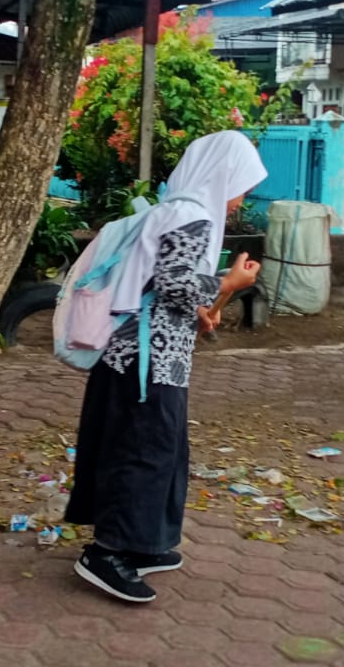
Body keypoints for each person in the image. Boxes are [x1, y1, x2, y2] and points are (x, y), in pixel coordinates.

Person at [65, 131, 266, 604]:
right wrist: (229, 283)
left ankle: (143, 542)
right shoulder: (192, 216)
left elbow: (157, 284)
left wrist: (204, 305)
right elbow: (177, 286)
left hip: (145, 357)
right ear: (222, 175)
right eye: (242, 186)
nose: (240, 199)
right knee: (143, 452)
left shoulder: (176, 209)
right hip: (145, 361)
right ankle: (106, 553)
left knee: (160, 451)